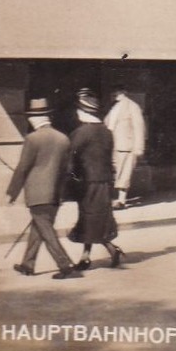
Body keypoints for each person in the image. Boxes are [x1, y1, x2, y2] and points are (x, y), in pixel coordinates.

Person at [6, 96, 82, 279]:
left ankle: (66, 266)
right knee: (39, 227)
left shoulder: (32, 139)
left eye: (30, 117)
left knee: (46, 230)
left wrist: (12, 192)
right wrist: (61, 191)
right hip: (55, 194)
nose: (30, 121)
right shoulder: (63, 139)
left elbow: (23, 167)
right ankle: (27, 264)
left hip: (37, 195)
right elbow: (69, 169)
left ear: (35, 118)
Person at [67, 89, 124, 269]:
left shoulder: (80, 133)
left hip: (88, 183)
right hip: (105, 181)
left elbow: (70, 160)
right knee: (96, 218)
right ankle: (86, 256)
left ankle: (111, 249)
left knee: (90, 218)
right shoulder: (106, 132)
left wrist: (71, 179)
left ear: (83, 112)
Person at [104, 85, 146, 209]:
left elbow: (139, 127)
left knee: (124, 173)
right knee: (114, 172)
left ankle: (121, 200)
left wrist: (139, 147)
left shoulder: (132, 106)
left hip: (126, 145)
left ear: (124, 92)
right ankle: (112, 198)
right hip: (112, 144)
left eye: (117, 92)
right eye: (114, 92)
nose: (115, 94)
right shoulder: (113, 107)